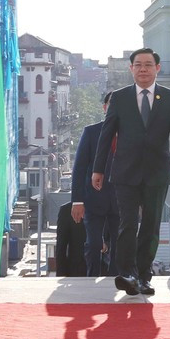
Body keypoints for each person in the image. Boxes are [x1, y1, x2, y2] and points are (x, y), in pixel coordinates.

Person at [92, 48, 170, 296]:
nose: (143, 69)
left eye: (148, 64)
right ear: (131, 69)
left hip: (156, 172)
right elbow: (107, 134)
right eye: (138, 65)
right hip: (125, 171)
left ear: (158, 68)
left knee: (151, 225)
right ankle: (127, 273)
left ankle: (144, 276)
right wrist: (98, 169)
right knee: (127, 223)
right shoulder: (120, 97)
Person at [71, 90, 119, 276]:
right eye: (111, 104)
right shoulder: (91, 132)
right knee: (94, 243)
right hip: (93, 199)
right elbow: (80, 168)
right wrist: (77, 200)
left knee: (119, 244)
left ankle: (116, 278)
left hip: (121, 200)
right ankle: (92, 277)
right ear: (104, 107)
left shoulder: (133, 134)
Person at [55, 202, 87, 277]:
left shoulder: (110, 207)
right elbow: (61, 247)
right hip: (76, 273)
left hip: (106, 274)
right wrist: (61, 276)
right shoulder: (67, 210)